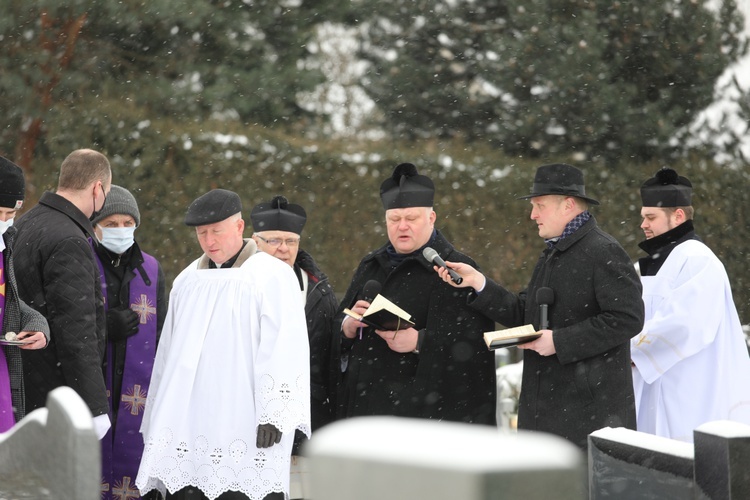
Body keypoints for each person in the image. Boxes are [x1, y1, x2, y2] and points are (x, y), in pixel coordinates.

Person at [435, 163, 644, 449]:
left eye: (539, 206)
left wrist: (559, 341)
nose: (533, 215)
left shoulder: (603, 251)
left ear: (568, 205)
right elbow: (527, 314)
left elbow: (627, 318)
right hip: (546, 416)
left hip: (587, 420)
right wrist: (478, 283)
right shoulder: (552, 253)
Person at [136, 189, 310, 500]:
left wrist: (275, 411)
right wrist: (161, 412)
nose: (209, 240)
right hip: (190, 419)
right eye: (202, 233)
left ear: (239, 227)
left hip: (245, 417)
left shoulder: (272, 276)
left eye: (216, 231)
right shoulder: (187, 281)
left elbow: (285, 345)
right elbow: (168, 355)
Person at [337, 163, 496, 425]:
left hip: (422, 422)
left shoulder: (456, 269)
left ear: (431, 218)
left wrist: (420, 342)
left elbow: (476, 346)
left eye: (411, 219)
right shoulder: (370, 265)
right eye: (394, 220)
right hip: (363, 416)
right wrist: (347, 327)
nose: (402, 227)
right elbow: (336, 327)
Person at [631, 167, 750, 442]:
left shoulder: (697, 259)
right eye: (642, 217)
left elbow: (685, 323)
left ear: (679, 216)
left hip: (692, 387)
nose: (643, 225)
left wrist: (630, 351)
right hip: (653, 384)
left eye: (650, 217)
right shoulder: (647, 265)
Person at [14, 148, 112, 439]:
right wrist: (94, 406)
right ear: (97, 188)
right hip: (54, 395)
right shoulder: (69, 238)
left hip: (22, 383)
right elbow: (76, 328)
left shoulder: (27, 222)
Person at [90, 185, 167, 498]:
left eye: (127, 223)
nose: (120, 230)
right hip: (94, 386)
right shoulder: (81, 260)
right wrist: (104, 327)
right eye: (110, 224)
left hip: (138, 393)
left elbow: (161, 333)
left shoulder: (151, 269)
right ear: (94, 227)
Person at [251, 196, 338, 441]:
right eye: (274, 240)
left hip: (309, 413)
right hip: (252, 414)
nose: (284, 248)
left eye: (291, 241)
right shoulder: (239, 282)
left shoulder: (318, 288)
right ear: (256, 242)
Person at [0, 156, 49, 432]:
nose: (5, 222)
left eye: (11, 214)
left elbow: (10, 301)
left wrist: (37, 326)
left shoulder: (6, 243)